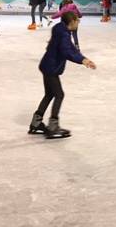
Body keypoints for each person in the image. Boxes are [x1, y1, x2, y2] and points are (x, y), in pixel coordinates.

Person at [28, 11, 96, 139]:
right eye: (77, 20)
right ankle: (53, 126)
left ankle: (36, 123)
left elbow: (71, 48)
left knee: (49, 94)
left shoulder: (60, 29)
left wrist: (83, 58)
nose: (79, 23)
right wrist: (83, 60)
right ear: (71, 22)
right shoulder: (64, 35)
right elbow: (67, 51)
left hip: (47, 65)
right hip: (51, 68)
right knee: (59, 94)